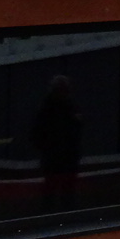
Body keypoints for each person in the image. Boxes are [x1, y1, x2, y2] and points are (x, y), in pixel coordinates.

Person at [30, 75, 84, 211]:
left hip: (65, 157)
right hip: (55, 157)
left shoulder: (67, 106)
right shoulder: (49, 108)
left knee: (65, 190)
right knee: (53, 190)